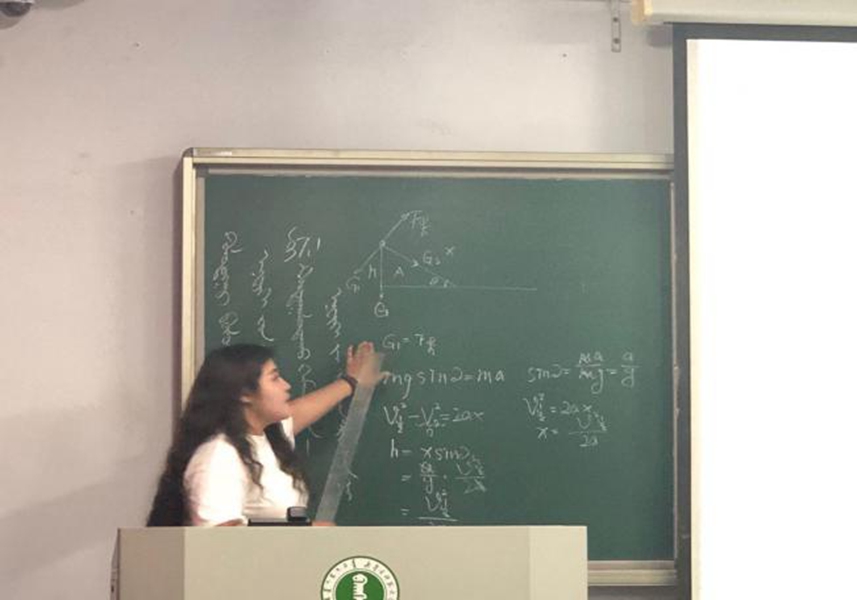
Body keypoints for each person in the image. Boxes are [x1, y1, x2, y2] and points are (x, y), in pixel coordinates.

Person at [146, 341, 383, 526]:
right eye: (275, 378)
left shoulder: (270, 437)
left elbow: (301, 410)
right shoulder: (220, 455)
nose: (286, 385)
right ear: (244, 393)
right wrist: (305, 531)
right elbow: (220, 537)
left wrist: (351, 381)